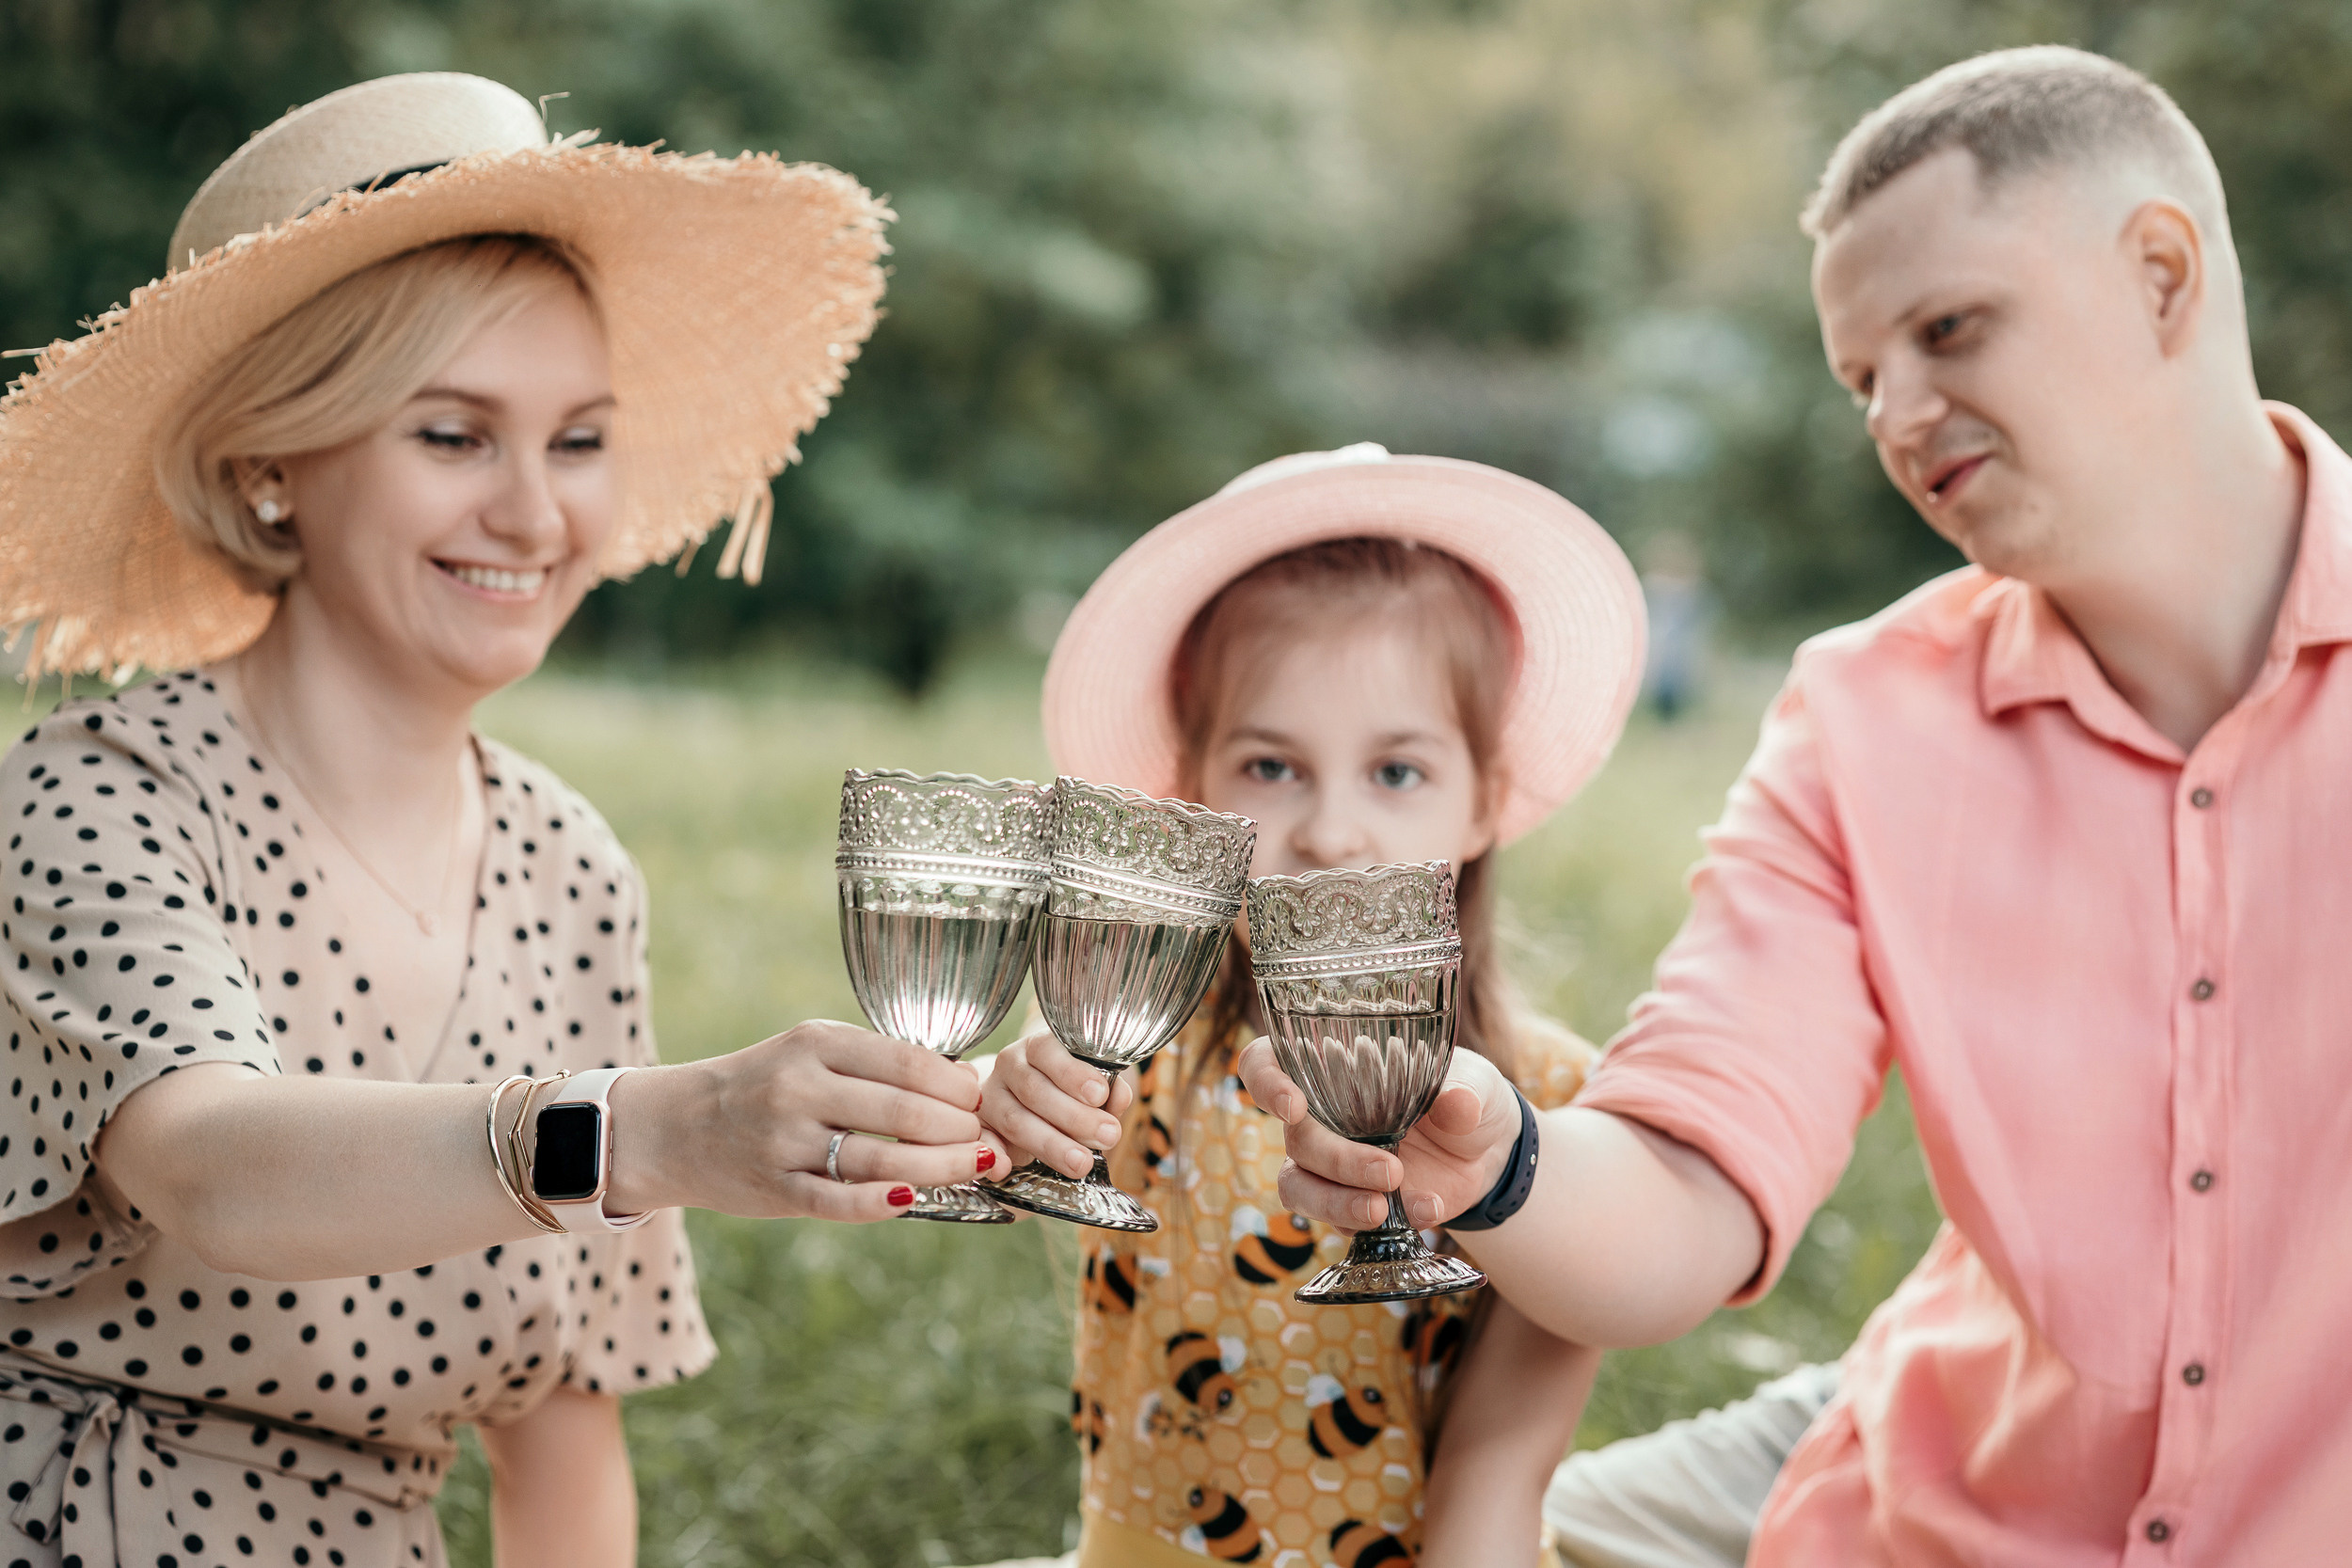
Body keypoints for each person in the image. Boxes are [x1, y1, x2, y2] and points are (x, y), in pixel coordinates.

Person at [1242, 44, 2352, 1564]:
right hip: (1910, 1490)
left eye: (1950, 328)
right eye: (1861, 374)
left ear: (2163, 274)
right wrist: (1496, 1157)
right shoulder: (1864, 715)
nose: (1900, 413)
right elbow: (1692, 1179)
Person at [0, 74, 997, 1566]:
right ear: (274, 461)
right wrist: (663, 1123)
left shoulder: (570, 867)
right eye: (455, 435)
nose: (535, 516)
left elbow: (564, 1429)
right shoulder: (93, 794)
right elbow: (216, 1169)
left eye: (580, 440)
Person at [972, 445, 1645, 1567]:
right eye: (1272, 767)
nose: (1332, 833)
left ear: (1483, 800)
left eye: (1395, 773)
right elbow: (985, 1154)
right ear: (1192, 793)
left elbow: (1507, 1460)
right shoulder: (1136, 1057)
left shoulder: (1557, 1111)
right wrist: (1015, 1101)